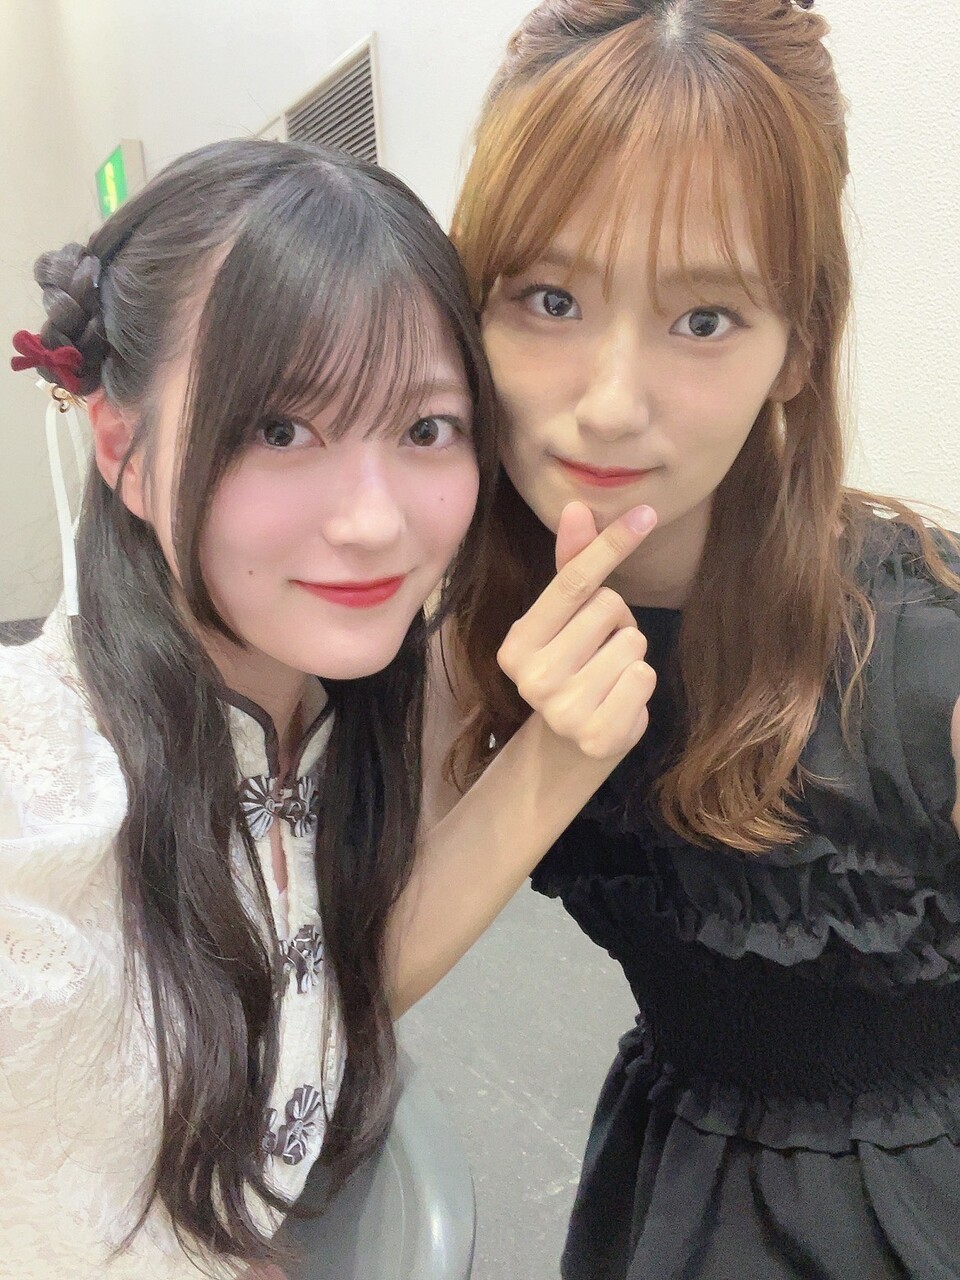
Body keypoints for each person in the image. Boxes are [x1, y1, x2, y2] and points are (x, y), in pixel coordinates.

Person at [0, 138, 658, 1278]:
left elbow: (344, 988)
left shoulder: (336, 706)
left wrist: (561, 748)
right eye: (279, 430)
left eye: (425, 429)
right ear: (123, 447)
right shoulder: (41, 784)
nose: (373, 522)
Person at [426, 2, 960, 1277]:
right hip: (667, 1177)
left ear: (798, 348)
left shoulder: (923, 667)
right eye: (550, 297)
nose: (611, 404)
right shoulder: (472, 620)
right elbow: (349, 991)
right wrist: (553, 754)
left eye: (705, 318)